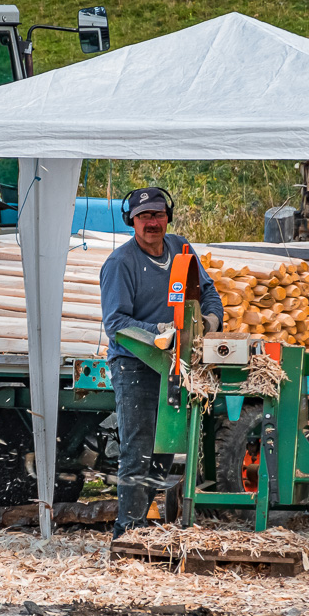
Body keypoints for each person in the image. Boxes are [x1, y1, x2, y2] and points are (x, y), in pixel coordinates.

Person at [99, 187, 224, 539]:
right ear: (131, 221)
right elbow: (116, 322)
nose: (151, 223)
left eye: (157, 215)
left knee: (166, 449)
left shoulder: (181, 248)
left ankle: (141, 526)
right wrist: (159, 330)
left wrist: (210, 323)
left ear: (167, 215)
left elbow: (208, 292)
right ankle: (127, 532)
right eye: (143, 217)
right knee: (138, 448)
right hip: (135, 364)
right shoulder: (120, 264)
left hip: (177, 365)